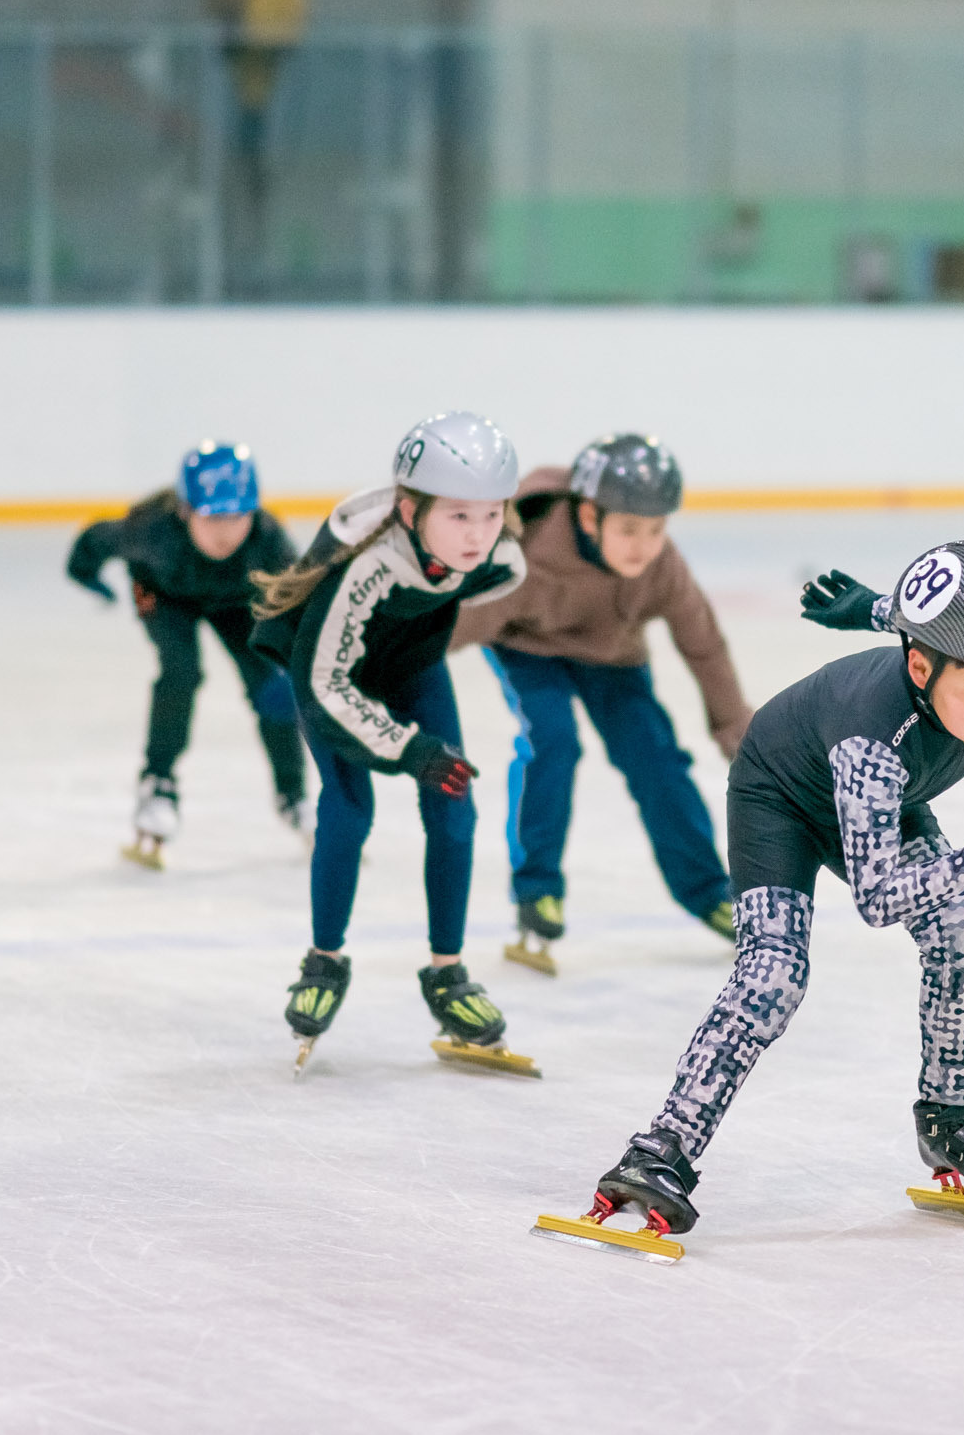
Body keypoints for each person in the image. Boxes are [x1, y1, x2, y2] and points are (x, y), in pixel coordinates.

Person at [570, 542, 964, 1244]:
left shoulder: (943, 665)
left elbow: (925, 630)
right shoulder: (875, 746)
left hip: (884, 801)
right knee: (773, 975)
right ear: (921, 668)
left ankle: (948, 1119)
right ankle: (660, 1150)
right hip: (781, 798)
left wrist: (874, 607)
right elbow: (881, 899)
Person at [248, 412, 528, 1069]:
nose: (478, 534)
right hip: (325, 671)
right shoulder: (366, 563)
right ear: (409, 509)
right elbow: (325, 682)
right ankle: (323, 960)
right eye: (458, 516)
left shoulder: (500, 559)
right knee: (349, 811)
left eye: (491, 515)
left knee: (455, 807)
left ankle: (448, 974)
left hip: (408, 666)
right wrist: (412, 749)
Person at [452, 433, 750, 974]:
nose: (644, 545)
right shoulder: (526, 556)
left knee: (657, 758)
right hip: (529, 651)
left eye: (656, 529)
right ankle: (537, 888)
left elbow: (703, 645)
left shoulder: (661, 567)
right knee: (553, 742)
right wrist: (378, 676)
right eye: (629, 529)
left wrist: (737, 734)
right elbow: (455, 624)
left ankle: (710, 893)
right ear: (590, 517)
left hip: (613, 658)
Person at [68, 442, 308, 866]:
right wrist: (88, 578)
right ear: (184, 511)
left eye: (238, 516)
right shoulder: (149, 531)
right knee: (181, 672)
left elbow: (300, 600)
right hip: (163, 595)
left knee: (273, 682)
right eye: (213, 516)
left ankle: (294, 795)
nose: (226, 531)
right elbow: (93, 541)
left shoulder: (268, 540)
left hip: (236, 600)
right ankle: (158, 785)